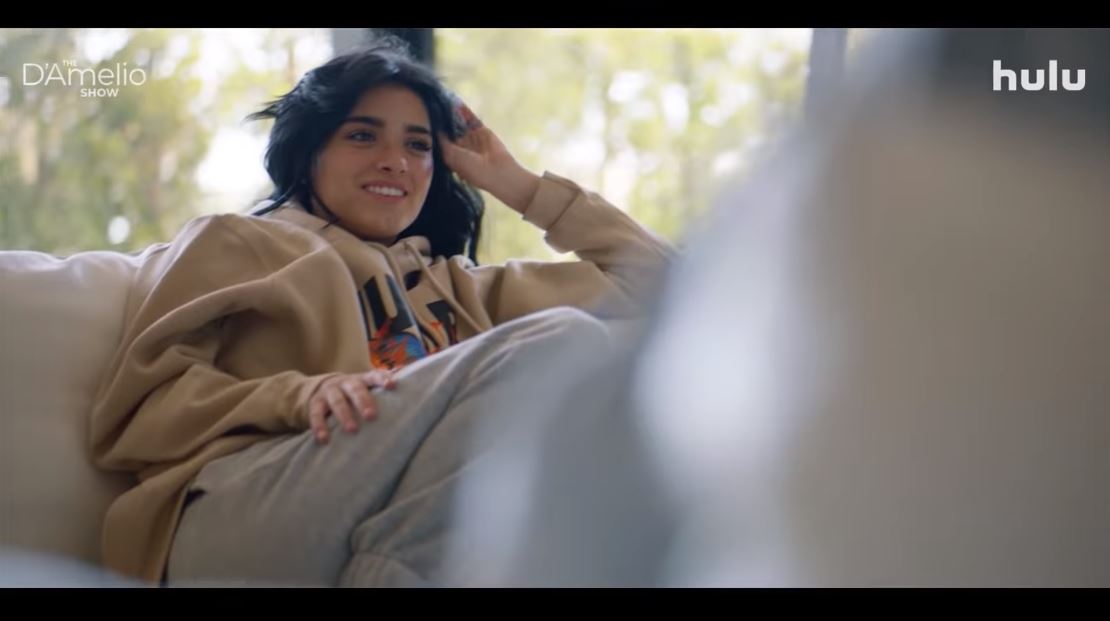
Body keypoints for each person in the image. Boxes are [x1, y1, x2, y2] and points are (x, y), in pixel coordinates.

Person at [88, 39, 675, 587]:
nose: (395, 160)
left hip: (387, 534)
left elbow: (665, 291)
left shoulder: (457, 287)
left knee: (586, 367)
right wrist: (298, 394)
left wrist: (516, 185)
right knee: (563, 341)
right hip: (244, 513)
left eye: (418, 145)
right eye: (363, 136)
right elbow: (140, 410)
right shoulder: (236, 242)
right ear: (310, 151)